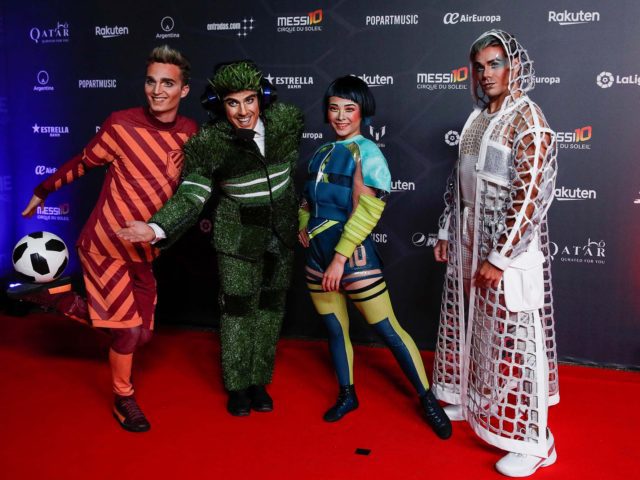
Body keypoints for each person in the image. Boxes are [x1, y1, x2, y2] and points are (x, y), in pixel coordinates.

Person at [7, 45, 197, 432]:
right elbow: (83, 162)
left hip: (144, 250)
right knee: (126, 332)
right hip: (103, 245)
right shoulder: (121, 124)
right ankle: (123, 399)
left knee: (141, 335)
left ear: (184, 90)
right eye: (150, 81)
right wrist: (43, 191)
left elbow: (196, 188)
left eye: (167, 83)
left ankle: (52, 297)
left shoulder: (191, 134)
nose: (157, 90)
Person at [117, 61, 304, 417]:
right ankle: (236, 386)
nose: (243, 111)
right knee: (237, 312)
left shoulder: (287, 121)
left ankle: (258, 381)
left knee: (270, 310)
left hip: (280, 235)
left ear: (262, 98)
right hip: (237, 239)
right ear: (219, 104)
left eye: (250, 100)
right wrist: (156, 228)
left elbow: (288, 174)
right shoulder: (208, 143)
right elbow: (192, 195)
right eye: (233, 103)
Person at [432, 30, 559, 476]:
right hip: (470, 239)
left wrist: (500, 256)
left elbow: (532, 197)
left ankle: (539, 441)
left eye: (496, 64)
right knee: (475, 327)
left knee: (523, 339)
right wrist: (449, 229)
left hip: (509, 250)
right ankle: (476, 400)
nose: (487, 74)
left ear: (515, 66)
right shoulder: (477, 119)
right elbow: (459, 183)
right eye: (480, 66)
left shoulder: (529, 119)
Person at [298, 75, 451, 439]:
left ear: (362, 112)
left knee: (388, 329)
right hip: (316, 257)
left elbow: (366, 213)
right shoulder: (321, 152)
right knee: (335, 329)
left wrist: (339, 260)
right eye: (334, 108)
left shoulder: (367, 153)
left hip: (352, 259)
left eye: (348, 109)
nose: (340, 116)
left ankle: (427, 399)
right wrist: (303, 224)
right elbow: (308, 200)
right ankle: (347, 394)